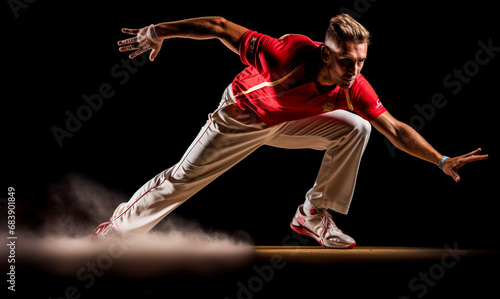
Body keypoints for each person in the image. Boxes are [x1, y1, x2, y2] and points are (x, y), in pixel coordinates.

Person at [92, 14, 487, 248]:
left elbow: (396, 130)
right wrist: (159, 30)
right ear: (326, 54)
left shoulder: (354, 86)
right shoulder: (285, 55)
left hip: (287, 121)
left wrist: (441, 159)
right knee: (183, 179)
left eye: (362, 62)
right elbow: (217, 26)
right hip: (242, 117)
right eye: (348, 62)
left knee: (357, 127)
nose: (355, 71)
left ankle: (313, 213)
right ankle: (114, 233)